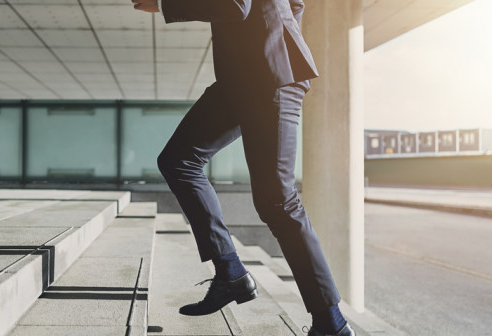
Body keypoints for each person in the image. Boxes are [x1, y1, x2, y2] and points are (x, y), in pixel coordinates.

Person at [132, 0, 355, 335]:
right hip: (247, 76)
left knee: (278, 202)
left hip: (270, 75)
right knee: (178, 159)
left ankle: (331, 323)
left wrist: (166, 4)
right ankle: (230, 271)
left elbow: (237, 5)